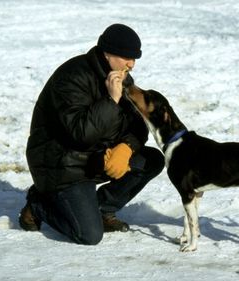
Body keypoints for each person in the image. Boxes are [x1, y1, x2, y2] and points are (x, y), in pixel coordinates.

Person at [19, 24, 164, 245]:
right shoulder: (71, 78)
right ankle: (39, 204)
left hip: (94, 157)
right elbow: (81, 134)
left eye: (135, 58)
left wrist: (126, 147)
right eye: (127, 57)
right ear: (107, 53)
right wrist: (111, 100)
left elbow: (138, 125)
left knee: (151, 160)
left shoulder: (120, 78)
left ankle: (102, 209)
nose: (131, 64)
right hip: (61, 164)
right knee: (89, 235)